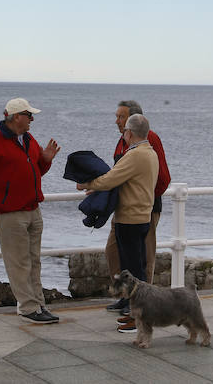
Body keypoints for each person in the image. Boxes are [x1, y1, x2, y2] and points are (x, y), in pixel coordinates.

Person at [0, 97, 61, 324]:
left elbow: (34, 170)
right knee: (19, 262)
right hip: (10, 212)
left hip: (32, 208)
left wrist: (45, 161)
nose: (32, 119)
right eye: (29, 115)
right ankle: (28, 308)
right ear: (17, 117)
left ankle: (38, 305)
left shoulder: (27, 138)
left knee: (33, 260)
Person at [77, 113, 158, 333]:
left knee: (132, 272)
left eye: (125, 132)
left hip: (129, 219)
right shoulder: (151, 153)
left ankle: (139, 319)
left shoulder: (135, 155)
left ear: (129, 133)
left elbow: (112, 178)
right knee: (137, 268)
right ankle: (138, 315)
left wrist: (87, 183)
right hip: (142, 217)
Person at [105, 99, 170, 312]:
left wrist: (146, 201)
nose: (117, 121)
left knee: (143, 259)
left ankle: (143, 304)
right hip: (123, 210)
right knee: (114, 252)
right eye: (117, 117)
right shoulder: (122, 141)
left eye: (121, 117)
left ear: (133, 120)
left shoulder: (149, 140)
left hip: (144, 210)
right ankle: (126, 295)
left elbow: (162, 178)